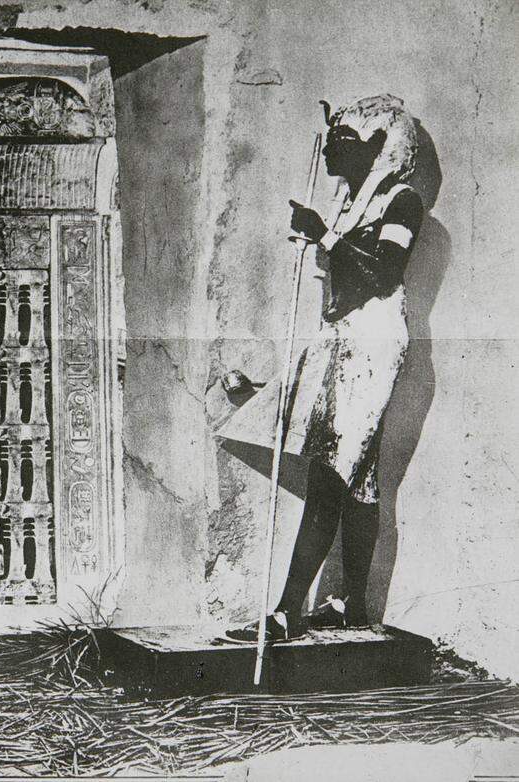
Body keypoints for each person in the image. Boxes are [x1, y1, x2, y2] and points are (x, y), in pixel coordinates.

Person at [221, 95, 424, 643]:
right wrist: (322, 234)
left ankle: (287, 612)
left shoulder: (401, 201)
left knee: (331, 475)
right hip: (341, 337)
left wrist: (324, 235)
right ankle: (352, 606)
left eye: (346, 140)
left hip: (374, 339)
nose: (332, 146)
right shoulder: (349, 203)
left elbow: (383, 275)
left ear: (380, 148)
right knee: (359, 479)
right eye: (331, 137)